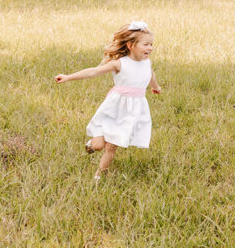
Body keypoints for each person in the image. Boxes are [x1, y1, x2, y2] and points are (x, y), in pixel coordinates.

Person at [54, 21, 162, 181]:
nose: (150, 48)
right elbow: (93, 72)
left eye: (151, 44)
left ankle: (98, 176)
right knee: (98, 145)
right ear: (131, 45)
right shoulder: (120, 63)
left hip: (132, 111)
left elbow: (150, 74)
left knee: (111, 146)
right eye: (146, 44)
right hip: (115, 107)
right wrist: (68, 77)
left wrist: (156, 87)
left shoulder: (147, 63)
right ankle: (92, 144)